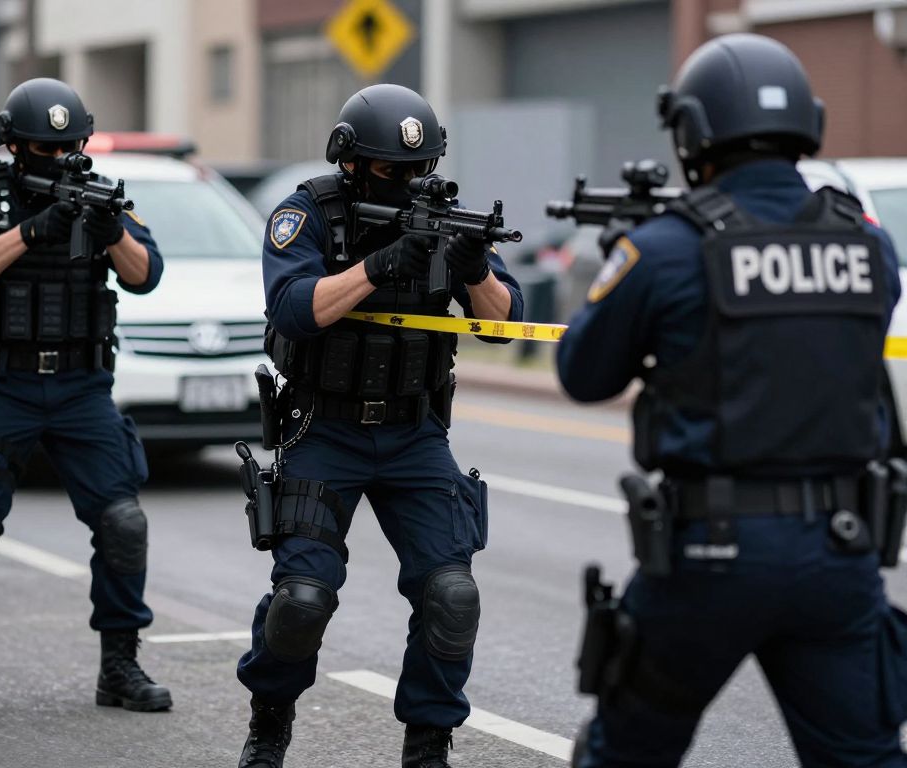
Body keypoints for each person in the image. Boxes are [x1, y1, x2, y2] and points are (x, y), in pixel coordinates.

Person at [558, 34, 907, 767]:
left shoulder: (664, 249)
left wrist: (632, 258)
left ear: (691, 131)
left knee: (626, 753)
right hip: (842, 552)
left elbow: (583, 374)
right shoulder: (866, 246)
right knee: (866, 759)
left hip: (710, 556)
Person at [235, 83, 524, 768]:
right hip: (323, 427)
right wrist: (380, 264)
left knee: (450, 594)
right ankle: (269, 721)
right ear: (353, 162)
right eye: (393, 170)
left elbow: (506, 323)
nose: (409, 183)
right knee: (301, 601)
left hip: (414, 431)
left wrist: (473, 267)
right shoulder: (309, 214)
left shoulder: (442, 215)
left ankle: (428, 745)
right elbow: (295, 308)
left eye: (420, 169)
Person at [0, 78, 171, 714]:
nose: (57, 159)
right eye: (41, 148)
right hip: (3, 382)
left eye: (67, 147)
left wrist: (110, 232)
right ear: (15, 146)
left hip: (82, 386)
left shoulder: (100, 196)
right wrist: (33, 230)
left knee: (122, 522)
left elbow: (146, 276)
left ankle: (120, 665)